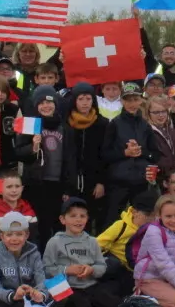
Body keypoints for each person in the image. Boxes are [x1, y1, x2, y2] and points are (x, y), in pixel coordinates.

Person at [0, 211, 62, 307]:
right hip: (10, 300)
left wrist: (40, 294)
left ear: (26, 235)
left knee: (60, 290)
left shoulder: (34, 253)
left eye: (19, 234)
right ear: (1, 236)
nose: (14, 239)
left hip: (31, 298)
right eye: (9, 235)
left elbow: (41, 278)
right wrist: (13, 295)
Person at [41, 198, 122, 307]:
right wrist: (67, 270)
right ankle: (60, 305)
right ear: (63, 219)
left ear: (87, 218)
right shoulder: (54, 242)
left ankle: (93, 302)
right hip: (68, 287)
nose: (78, 220)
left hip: (90, 285)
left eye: (82, 216)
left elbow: (101, 265)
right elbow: (46, 269)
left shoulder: (92, 241)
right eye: (73, 216)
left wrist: (91, 270)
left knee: (114, 306)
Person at [100, 83, 159, 225]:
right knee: (113, 220)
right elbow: (104, 154)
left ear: (141, 100)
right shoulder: (114, 124)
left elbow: (155, 154)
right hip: (118, 182)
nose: (132, 104)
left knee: (141, 220)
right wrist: (125, 152)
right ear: (122, 101)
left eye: (135, 99)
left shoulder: (145, 125)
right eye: (128, 100)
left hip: (140, 181)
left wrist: (141, 152)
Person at [16, 86, 67, 247]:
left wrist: (68, 187)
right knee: (40, 225)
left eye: (49, 102)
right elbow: (18, 152)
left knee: (58, 223)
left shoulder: (65, 127)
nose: (46, 106)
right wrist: (33, 147)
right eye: (42, 103)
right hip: (36, 183)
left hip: (58, 183)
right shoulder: (30, 125)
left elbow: (71, 159)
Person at [60, 82, 108, 225]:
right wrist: (66, 187)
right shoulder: (66, 124)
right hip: (71, 181)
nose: (85, 103)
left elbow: (105, 155)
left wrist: (102, 182)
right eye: (81, 99)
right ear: (74, 101)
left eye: (88, 99)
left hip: (94, 181)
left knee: (94, 216)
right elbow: (63, 157)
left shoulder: (102, 123)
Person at [96, 190, 156, 296]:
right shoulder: (121, 226)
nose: (151, 219)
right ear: (134, 211)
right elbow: (97, 244)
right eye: (147, 214)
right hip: (114, 265)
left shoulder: (154, 230)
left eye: (154, 215)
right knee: (113, 265)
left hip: (133, 271)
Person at [146, 95, 175, 180]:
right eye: (156, 112)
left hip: (173, 178)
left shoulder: (173, 132)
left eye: (164, 111)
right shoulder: (145, 133)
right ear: (148, 113)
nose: (161, 115)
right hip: (156, 179)